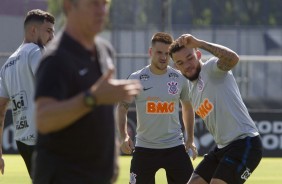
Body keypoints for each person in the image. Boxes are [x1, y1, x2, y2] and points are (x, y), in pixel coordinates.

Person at [32, 0, 141, 184]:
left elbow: (102, 111)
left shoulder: (104, 50)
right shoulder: (56, 58)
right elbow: (43, 118)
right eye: (93, 3)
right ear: (68, 6)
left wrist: (112, 157)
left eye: (104, 3)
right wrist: (92, 98)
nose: (102, 10)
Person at [168, 34, 263, 184]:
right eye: (180, 62)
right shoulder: (192, 90)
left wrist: (199, 42)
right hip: (222, 148)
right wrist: (190, 138)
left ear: (198, 54)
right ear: (176, 67)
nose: (187, 65)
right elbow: (187, 109)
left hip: (245, 143)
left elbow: (233, 59)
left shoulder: (211, 69)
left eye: (190, 58)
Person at [117, 32, 197, 184]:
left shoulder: (179, 78)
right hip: (145, 148)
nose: (163, 57)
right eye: (159, 52)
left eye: (167, 53)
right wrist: (123, 136)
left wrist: (190, 139)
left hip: (174, 146)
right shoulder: (136, 78)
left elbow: (187, 106)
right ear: (150, 52)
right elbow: (122, 107)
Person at [0, 9, 55, 178]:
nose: (52, 36)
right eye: (48, 31)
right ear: (33, 30)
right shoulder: (36, 52)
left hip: (23, 141)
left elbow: (1, 110)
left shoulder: (6, 66)